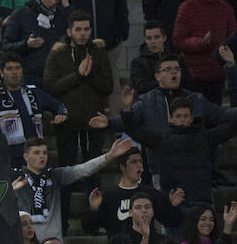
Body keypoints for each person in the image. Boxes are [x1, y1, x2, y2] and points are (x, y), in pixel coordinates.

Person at [90, 54, 237, 182]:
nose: (174, 73)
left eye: (177, 69)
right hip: (161, 169)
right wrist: (108, 122)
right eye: (168, 69)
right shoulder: (147, 100)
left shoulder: (196, 98)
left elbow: (222, 115)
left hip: (197, 170)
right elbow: (130, 122)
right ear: (157, 76)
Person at [42, 10, 112, 210]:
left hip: (93, 120)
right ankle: (62, 222)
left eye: (86, 29)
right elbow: (50, 86)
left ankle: (94, 218)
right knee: (66, 171)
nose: (83, 33)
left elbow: (107, 87)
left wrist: (88, 75)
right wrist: (78, 75)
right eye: (78, 29)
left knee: (94, 171)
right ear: (69, 31)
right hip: (67, 121)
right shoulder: (58, 53)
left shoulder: (98, 52)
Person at [122, 92, 237, 208]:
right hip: (174, 201)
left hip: (202, 201)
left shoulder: (205, 137)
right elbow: (134, 131)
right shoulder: (161, 140)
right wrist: (127, 109)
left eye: (185, 116)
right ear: (170, 119)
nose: (182, 120)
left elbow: (230, 129)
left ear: (191, 118)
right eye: (178, 116)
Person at [13, 136, 132, 242]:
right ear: (26, 156)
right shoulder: (14, 178)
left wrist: (109, 156)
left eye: (44, 152)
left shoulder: (56, 175)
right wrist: (10, 192)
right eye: (37, 153)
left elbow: (83, 169)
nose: (42, 156)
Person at [0, 53, 68, 164]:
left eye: (17, 68)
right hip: (7, 157)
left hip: (36, 155)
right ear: (1, 73)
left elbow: (59, 106)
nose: (14, 72)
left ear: (22, 71)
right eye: (9, 69)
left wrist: (61, 114)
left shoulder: (34, 92)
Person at [80, 146, 182, 237]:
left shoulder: (151, 193)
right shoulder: (109, 195)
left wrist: (172, 206)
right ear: (122, 167)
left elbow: (171, 221)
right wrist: (93, 209)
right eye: (134, 162)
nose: (139, 165)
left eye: (141, 161)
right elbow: (89, 228)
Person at [172, 0, 236, 105]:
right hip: (194, 77)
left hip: (217, 76)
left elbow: (233, 37)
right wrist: (200, 42)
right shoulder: (187, 8)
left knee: (216, 119)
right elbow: (178, 39)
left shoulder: (226, 8)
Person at [1, 0, 70, 87]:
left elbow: (77, 31)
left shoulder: (62, 15)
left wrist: (67, 6)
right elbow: (5, 46)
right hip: (31, 78)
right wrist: (26, 45)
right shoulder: (21, 14)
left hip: (58, 78)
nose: (53, 2)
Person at [129, 21, 193, 95]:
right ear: (145, 40)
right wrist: (168, 82)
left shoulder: (177, 59)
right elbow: (141, 86)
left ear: (164, 38)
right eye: (149, 38)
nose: (153, 41)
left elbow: (187, 82)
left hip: (176, 100)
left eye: (157, 37)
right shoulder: (138, 63)